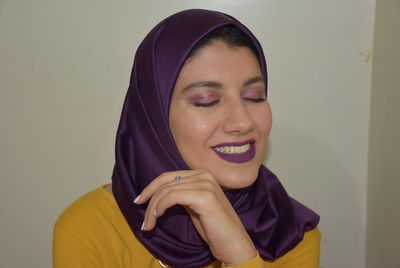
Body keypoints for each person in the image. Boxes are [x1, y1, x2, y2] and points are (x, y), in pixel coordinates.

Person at [53, 9, 320, 268]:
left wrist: (241, 256)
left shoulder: (287, 234)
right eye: (207, 101)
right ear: (153, 118)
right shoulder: (90, 229)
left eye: (254, 97)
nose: (243, 122)